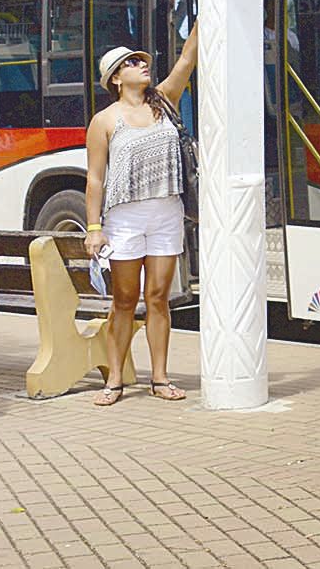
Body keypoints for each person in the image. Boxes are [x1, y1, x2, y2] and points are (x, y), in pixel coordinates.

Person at [83, 36, 197, 404]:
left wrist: (204, 2)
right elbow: (95, 178)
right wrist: (94, 228)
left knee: (159, 297)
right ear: (115, 78)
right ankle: (114, 378)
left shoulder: (163, 100)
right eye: (132, 63)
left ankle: (160, 378)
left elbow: (187, 59)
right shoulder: (104, 121)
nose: (142, 65)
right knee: (125, 299)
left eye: (141, 61)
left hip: (166, 211)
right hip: (124, 217)